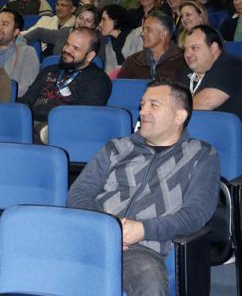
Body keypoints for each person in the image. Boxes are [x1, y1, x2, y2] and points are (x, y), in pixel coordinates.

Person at [67, 80, 220, 296]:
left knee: (149, 281)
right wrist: (105, 228)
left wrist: (142, 230)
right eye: (142, 104)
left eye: (153, 105)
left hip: (141, 248)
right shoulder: (117, 147)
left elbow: (196, 214)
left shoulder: (201, 155)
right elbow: (79, 192)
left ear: (179, 117)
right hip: (91, 235)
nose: (142, 112)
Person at [184, 25, 242, 175]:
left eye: (194, 48)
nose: (188, 54)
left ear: (213, 48)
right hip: (216, 142)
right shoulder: (188, 74)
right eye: (185, 49)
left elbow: (204, 103)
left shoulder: (233, 66)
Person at [20, 28, 111, 143]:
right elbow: (27, 100)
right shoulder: (49, 70)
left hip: (63, 132)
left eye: (76, 48)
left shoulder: (98, 80)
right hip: (30, 126)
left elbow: (84, 116)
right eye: (67, 44)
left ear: (90, 55)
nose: (67, 50)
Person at [118, 13, 187, 81]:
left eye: (148, 30)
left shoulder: (183, 59)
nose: (142, 34)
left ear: (163, 34)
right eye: (143, 29)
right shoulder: (132, 62)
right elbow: (121, 88)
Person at [22, 5, 100, 59]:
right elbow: (39, 32)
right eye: (80, 18)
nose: (82, 23)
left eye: (88, 21)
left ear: (94, 25)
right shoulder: (65, 31)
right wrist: (20, 41)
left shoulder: (98, 40)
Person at [0, 9, 40, 97]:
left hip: (13, 106)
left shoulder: (27, 52)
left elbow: (26, 87)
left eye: (4, 24)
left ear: (16, 31)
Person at [98, 4, 142, 73]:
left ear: (116, 21)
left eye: (104, 19)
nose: (100, 24)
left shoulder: (138, 34)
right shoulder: (109, 47)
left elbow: (143, 64)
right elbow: (109, 73)